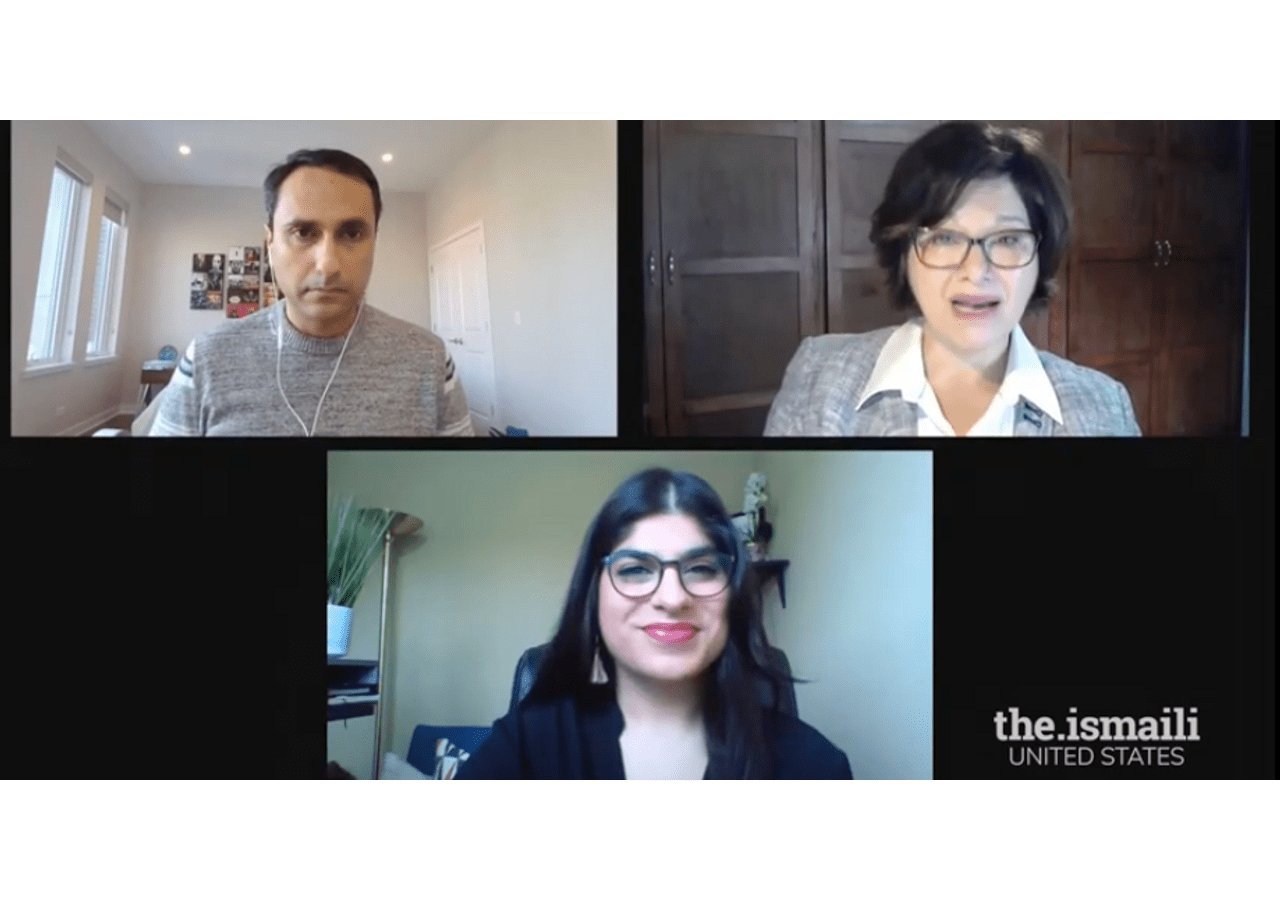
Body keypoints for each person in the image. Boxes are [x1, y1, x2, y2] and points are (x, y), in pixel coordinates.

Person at [456, 468, 853, 779]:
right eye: (634, 570)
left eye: (700, 568)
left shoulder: (813, 766)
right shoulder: (527, 742)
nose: (673, 597)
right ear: (594, 594)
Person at [765, 121, 1141, 437]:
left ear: (1040, 258)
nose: (976, 271)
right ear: (903, 251)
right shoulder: (819, 377)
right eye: (944, 238)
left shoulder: (1105, 408)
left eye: (1008, 239)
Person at [146, 148, 474, 436]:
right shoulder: (206, 359)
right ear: (270, 244)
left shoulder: (428, 361)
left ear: (374, 241)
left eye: (353, 232)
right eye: (303, 232)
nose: (328, 264)